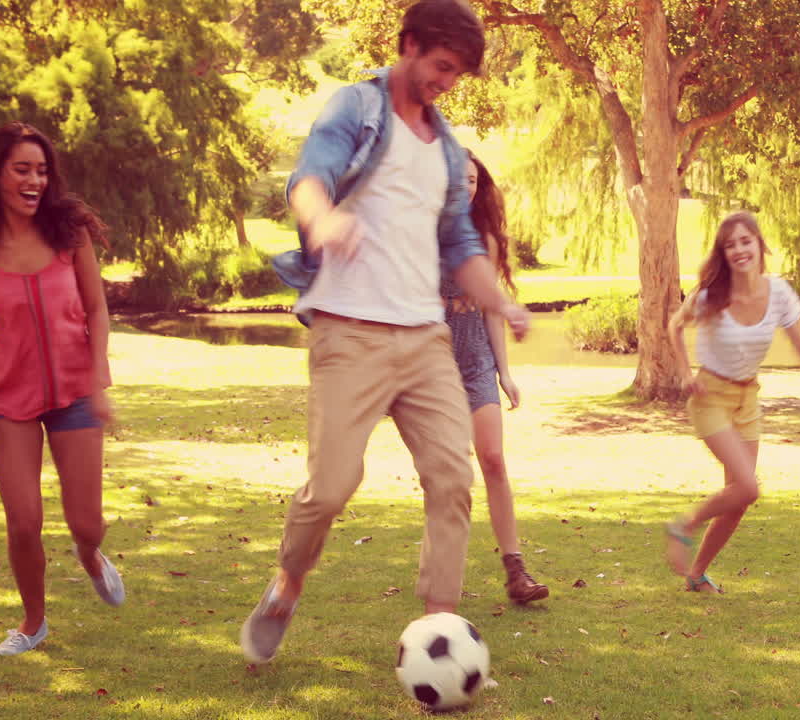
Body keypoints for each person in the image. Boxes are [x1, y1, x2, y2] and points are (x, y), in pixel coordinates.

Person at [240, 0, 531, 664]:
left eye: (457, 75)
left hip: (426, 339)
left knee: (452, 477)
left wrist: (503, 302)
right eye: (440, 67)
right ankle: (288, 581)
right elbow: (309, 177)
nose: (446, 83)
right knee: (332, 487)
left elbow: (460, 244)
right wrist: (323, 222)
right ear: (408, 45)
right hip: (351, 335)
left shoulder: (448, 146)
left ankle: (441, 631)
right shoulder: (358, 109)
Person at [0, 122, 123, 656]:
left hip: (75, 391)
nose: (35, 180)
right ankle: (33, 622)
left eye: (42, 170)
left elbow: (97, 310)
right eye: (22, 169)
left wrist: (98, 382)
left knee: (87, 524)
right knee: (24, 521)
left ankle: (91, 555)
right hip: (8, 398)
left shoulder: (68, 234)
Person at [664, 211, 800, 593]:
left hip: (747, 399)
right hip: (710, 397)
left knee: (739, 498)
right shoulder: (711, 295)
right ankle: (684, 525)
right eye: (730, 245)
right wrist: (684, 373)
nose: (739, 250)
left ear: (760, 245)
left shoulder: (778, 292)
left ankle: (696, 575)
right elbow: (675, 326)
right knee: (749, 486)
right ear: (723, 254)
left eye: (746, 241)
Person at [447, 152, 548, 603]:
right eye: (457, 179)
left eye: (472, 180)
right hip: (430, 366)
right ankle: (445, 578)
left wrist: (504, 371)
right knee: (449, 475)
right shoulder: (419, 232)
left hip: (475, 362)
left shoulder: (482, 239)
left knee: (492, 459)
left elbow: (490, 307)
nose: (466, 187)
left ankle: (516, 571)